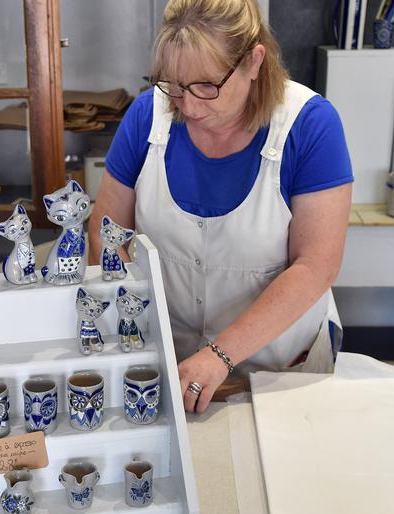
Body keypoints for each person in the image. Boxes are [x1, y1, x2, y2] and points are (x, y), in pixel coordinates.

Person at [88, 0, 353, 413]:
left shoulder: (309, 125)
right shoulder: (147, 117)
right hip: (170, 366)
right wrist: (129, 334)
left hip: (280, 370)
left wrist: (220, 355)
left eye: (206, 86)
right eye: (174, 84)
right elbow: (106, 235)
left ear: (253, 61)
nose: (188, 106)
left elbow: (316, 264)